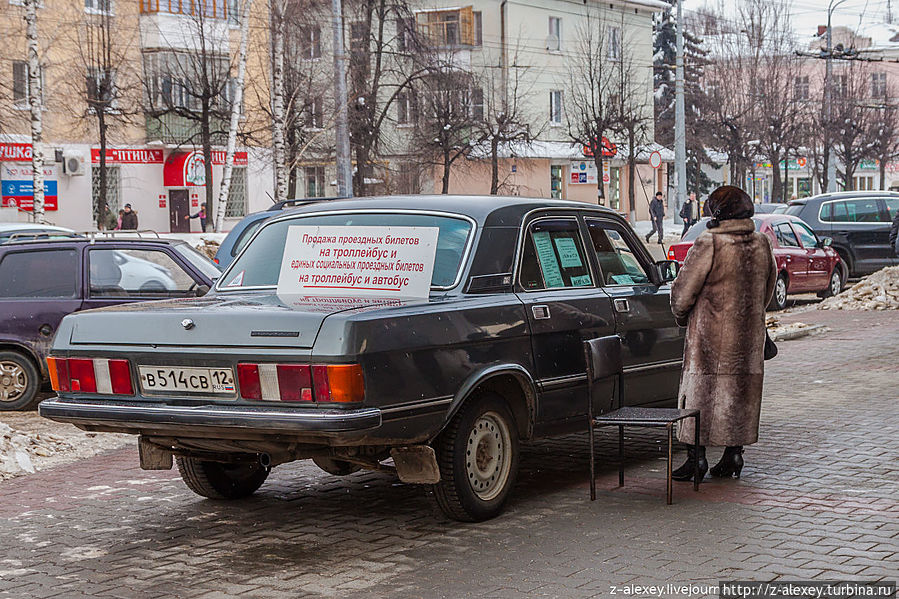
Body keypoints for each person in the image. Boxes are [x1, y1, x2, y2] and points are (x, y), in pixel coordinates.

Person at [669, 185, 777, 482]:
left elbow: (682, 294)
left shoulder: (709, 243)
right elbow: (768, 289)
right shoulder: (761, 243)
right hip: (748, 338)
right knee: (739, 396)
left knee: (700, 397)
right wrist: (751, 316)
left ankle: (696, 459)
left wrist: (683, 316)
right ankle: (734, 454)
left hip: (709, 341)